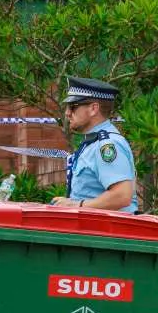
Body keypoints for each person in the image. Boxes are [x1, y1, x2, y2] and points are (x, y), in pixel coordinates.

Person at [49, 76, 139, 213]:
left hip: (109, 231)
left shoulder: (107, 144)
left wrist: (77, 205)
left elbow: (122, 195)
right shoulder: (93, 142)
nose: (67, 113)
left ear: (93, 109)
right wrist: (71, 203)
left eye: (73, 107)